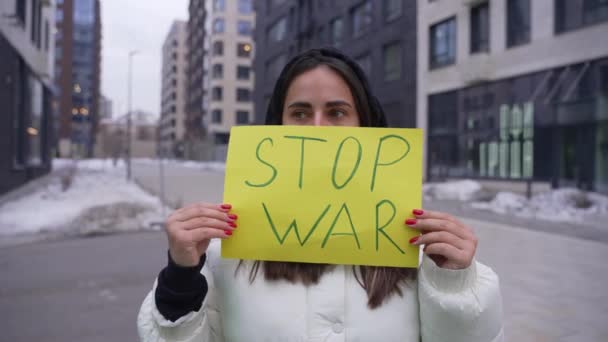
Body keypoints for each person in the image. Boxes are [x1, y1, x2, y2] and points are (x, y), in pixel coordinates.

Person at [137, 48, 503, 341]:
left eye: (337, 112)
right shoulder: (226, 251)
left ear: (365, 124)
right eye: (299, 113)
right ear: (277, 126)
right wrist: (181, 279)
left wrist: (454, 284)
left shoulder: (415, 252)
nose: (317, 128)